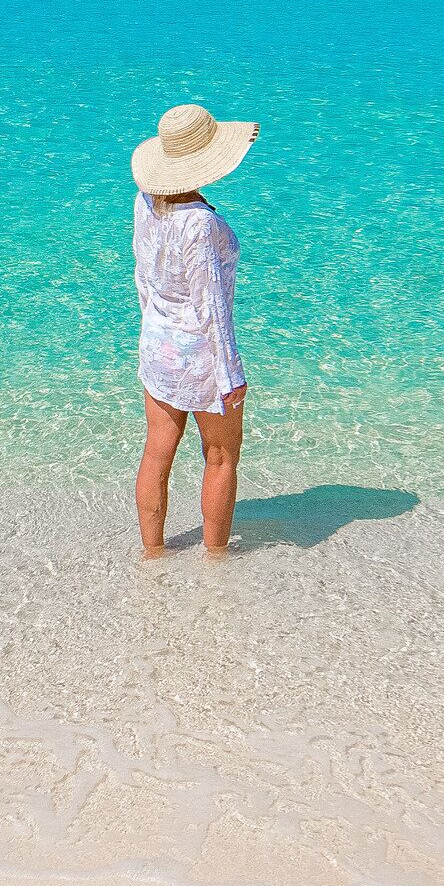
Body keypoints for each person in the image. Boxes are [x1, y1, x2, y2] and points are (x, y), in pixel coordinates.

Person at [130, 100, 257, 557]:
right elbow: (212, 309)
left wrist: (150, 334)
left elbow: (143, 276)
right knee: (221, 458)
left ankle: (152, 554)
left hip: (157, 346)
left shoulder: (147, 200)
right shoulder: (201, 224)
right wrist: (231, 375)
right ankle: (217, 564)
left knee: (157, 453)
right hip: (201, 359)